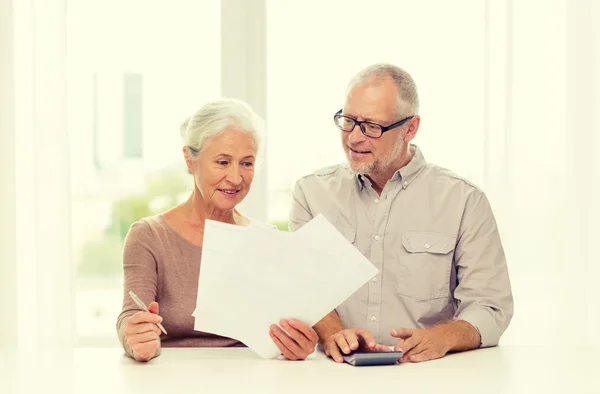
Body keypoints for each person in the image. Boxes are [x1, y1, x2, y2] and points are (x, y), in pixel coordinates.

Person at [291, 64, 513, 363]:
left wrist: (442, 337)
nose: (354, 138)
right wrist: (335, 333)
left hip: (428, 374)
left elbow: (491, 307)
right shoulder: (311, 193)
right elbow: (304, 283)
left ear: (410, 128)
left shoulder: (464, 200)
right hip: (336, 374)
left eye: (371, 126)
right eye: (348, 121)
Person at [117, 99, 319, 362]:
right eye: (223, 162)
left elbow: (282, 334)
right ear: (190, 160)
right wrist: (134, 337)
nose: (236, 178)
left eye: (247, 163)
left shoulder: (266, 239)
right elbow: (131, 315)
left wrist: (297, 345)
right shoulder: (149, 235)